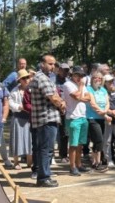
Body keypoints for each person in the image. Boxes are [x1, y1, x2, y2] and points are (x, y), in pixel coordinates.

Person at [28, 54, 65, 187]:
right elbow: (53, 98)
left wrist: (59, 101)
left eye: (54, 64)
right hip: (46, 118)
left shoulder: (44, 78)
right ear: (42, 64)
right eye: (50, 64)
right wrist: (62, 104)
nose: (53, 66)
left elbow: (55, 96)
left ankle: (45, 175)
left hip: (45, 119)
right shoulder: (42, 78)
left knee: (46, 149)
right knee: (46, 149)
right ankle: (43, 177)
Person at [62, 66, 92, 176]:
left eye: (81, 75)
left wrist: (80, 96)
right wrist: (80, 88)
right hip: (73, 118)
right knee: (73, 144)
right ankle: (72, 167)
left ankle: (79, 165)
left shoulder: (81, 86)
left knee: (80, 144)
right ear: (72, 75)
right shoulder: (67, 85)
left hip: (83, 117)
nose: (79, 77)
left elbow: (89, 98)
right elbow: (76, 96)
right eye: (77, 75)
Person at [86, 71, 110, 172]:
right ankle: (97, 162)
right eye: (96, 78)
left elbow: (107, 102)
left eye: (100, 78)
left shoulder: (103, 90)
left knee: (99, 141)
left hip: (101, 118)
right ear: (92, 79)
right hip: (92, 118)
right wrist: (105, 114)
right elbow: (92, 104)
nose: (98, 80)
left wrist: (105, 111)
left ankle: (95, 162)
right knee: (98, 139)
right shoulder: (88, 89)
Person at [8, 70, 33, 170]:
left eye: (27, 77)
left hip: (30, 118)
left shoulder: (32, 89)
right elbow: (10, 103)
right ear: (20, 80)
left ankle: (30, 162)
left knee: (30, 140)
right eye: (24, 78)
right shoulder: (14, 90)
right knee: (17, 140)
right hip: (18, 117)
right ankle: (16, 162)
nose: (26, 80)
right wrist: (20, 107)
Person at [54, 63, 70, 163]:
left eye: (67, 70)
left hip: (66, 110)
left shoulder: (68, 82)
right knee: (54, 133)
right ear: (59, 70)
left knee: (65, 133)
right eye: (63, 70)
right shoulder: (53, 80)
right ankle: (51, 156)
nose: (65, 72)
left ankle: (63, 155)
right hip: (54, 109)